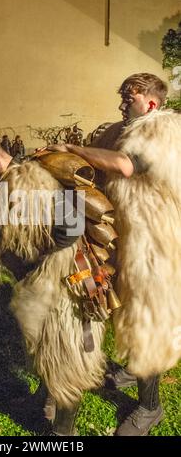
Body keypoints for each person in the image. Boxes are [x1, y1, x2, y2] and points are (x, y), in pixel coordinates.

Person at [0, 130, 117, 436]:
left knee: (66, 361)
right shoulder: (6, 182)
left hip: (65, 288)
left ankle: (62, 433)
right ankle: (45, 395)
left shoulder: (35, 179)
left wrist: (32, 255)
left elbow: (69, 229)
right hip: (39, 286)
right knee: (44, 349)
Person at [48, 73, 181, 436]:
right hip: (122, 241)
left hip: (154, 248)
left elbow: (124, 164)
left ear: (151, 103)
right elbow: (95, 168)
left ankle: (151, 408)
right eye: (122, 97)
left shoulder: (164, 131)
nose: (122, 104)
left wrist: (74, 150)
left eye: (129, 98)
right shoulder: (123, 128)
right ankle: (127, 371)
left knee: (145, 324)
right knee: (114, 304)